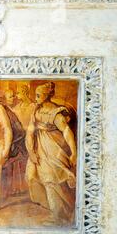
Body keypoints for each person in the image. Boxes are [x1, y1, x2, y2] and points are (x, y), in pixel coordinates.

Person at [25, 82, 77, 224]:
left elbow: (66, 132)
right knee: (37, 177)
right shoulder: (36, 110)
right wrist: (30, 151)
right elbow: (30, 131)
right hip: (40, 149)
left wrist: (74, 152)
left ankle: (61, 215)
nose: (35, 98)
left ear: (47, 96)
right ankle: (57, 212)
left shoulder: (56, 113)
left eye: (38, 95)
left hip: (54, 149)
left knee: (52, 181)